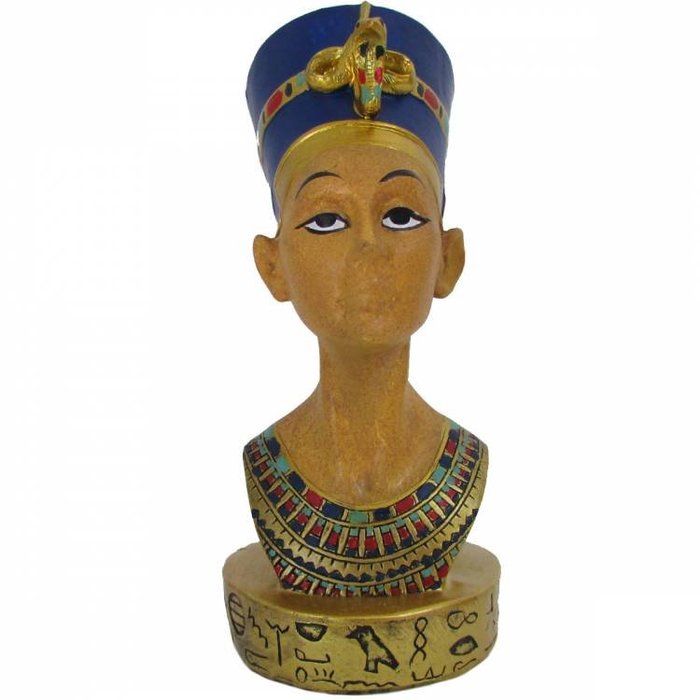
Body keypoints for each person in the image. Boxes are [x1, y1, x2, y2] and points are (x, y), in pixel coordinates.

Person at [242, 2, 489, 597]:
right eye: (326, 220)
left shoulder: (467, 460)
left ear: (448, 258)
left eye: (401, 216)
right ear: (273, 267)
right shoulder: (263, 462)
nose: (368, 250)